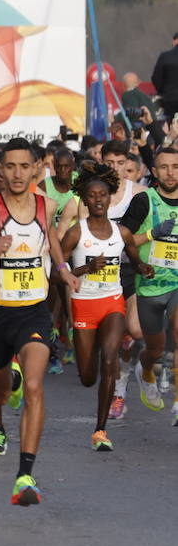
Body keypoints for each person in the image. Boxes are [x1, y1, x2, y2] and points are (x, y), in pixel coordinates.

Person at [0, 139, 77, 505]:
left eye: (25, 166)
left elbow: (51, 243)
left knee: (36, 385)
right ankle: (10, 383)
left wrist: (65, 272)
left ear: (37, 168)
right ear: (0, 171)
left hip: (34, 311)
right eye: (11, 167)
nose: (18, 173)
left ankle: (25, 475)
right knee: (1, 391)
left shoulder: (47, 206)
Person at [61, 160, 150, 451]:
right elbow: (54, 271)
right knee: (88, 377)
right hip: (84, 306)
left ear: (110, 197)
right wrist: (83, 269)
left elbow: (136, 263)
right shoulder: (76, 233)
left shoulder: (121, 233)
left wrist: (144, 268)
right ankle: (93, 349)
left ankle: (100, 431)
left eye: (103, 195)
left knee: (110, 360)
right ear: (84, 199)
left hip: (112, 302)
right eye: (92, 196)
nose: (98, 200)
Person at [119, 146, 178, 421]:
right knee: (154, 348)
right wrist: (153, 234)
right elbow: (123, 239)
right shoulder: (145, 200)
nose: (170, 172)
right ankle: (145, 371)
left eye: (175, 166)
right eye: (164, 167)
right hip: (150, 285)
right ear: (154, 172)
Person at [150, 32, 178, 119]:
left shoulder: (165, 56)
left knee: (173, 127)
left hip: (171, 99)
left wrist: (164, 91)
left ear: (175, 41)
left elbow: (156, 78)